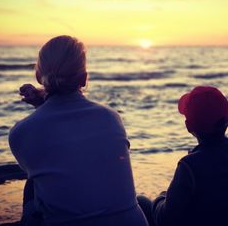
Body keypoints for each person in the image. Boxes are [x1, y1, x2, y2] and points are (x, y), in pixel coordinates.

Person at [9, 35, 148, 226]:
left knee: (33, 185)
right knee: (141, 201)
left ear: (38, 77)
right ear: (83, 79)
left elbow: (52, 168)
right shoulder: (111, 118)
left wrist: (42, 107)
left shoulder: (21, 133)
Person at [150, 86, 228, 226]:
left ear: (188, 126)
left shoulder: (189, 166)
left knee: (142, 202)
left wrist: (160, 198)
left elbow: (165, 220)